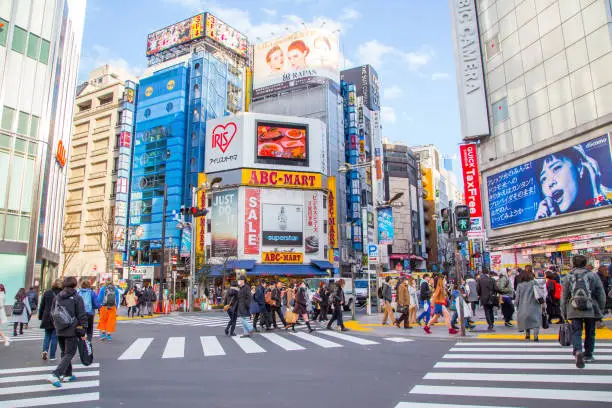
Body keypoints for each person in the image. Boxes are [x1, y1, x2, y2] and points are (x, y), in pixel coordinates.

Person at [535, 144, 612, 220]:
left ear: (579, 167)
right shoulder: (549, 214)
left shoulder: (609, 196)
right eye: (544, 178)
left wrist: (597, 198)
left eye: (556, 168)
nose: (550, 183)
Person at [561, 255, 606, 368]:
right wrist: (600, 309)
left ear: (573, 264)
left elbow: (564, 296)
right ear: (586, 263)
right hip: (590, 308)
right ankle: (588, 355)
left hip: (573, 308)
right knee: (590, 332)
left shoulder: (569, 276)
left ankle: (577, 351)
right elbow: (601, 294)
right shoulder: (592, 275)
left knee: (576, 332)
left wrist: (564, 312)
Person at [47, 276, 88, 388]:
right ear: (75, 285)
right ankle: (56, 374)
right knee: (70, 353)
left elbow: (52, 313)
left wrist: (57, 325)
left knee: (65, 352)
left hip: (59, 328)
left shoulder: (57, 297)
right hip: (72, 329)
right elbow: (81, 315)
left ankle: (67, 374)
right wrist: (83, 329)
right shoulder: (77, 298)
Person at [515, 269, 543, 342]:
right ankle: (536, 336)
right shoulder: (534, 282)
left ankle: (527, 335)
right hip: (534, 304)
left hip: (523, 305)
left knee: (526, 320)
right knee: (536, 321)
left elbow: (517, 297)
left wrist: (516, 304)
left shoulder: (519, 285)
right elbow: (539, 292)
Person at [38, 279, 62, 360]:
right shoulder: (62, 294)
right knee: (55, 337)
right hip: (57, 317)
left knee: (47, 335)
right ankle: (52, 356)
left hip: (47, 316)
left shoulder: (47, 293)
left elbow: (42, 306)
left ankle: (45, 351)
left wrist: (40, 316)